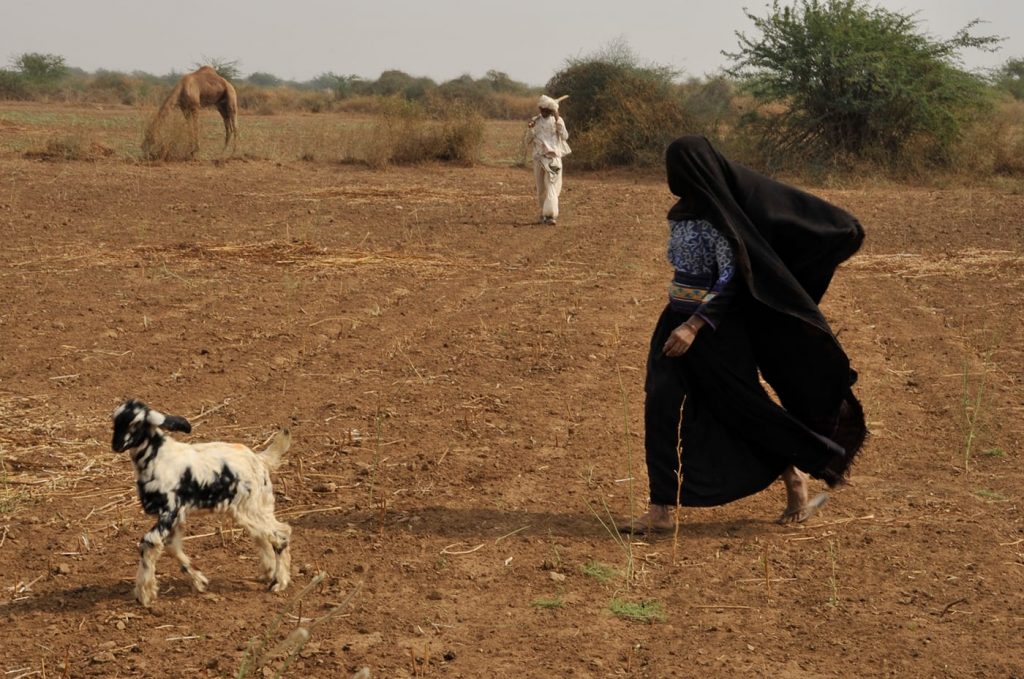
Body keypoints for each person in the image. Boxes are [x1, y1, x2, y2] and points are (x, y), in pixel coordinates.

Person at [619, 136, 867, 534]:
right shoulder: (681, 212)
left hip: (712, 330)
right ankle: (661, 509)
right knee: (661, 406)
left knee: (744, 409)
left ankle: (801, 470)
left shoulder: (719, 215)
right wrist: (679, 321)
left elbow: (731, 276)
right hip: (675, 321)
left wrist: (694, 325)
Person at [525, 95, 571, 225]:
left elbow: (565, 136)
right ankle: (543, 213)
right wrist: (531, 129)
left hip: (554, 159)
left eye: (547, 110)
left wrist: (557, 118)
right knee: (541, 189)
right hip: (539, 158)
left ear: (551, 111)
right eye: (542, 109)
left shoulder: (558, 121)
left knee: (551, 186)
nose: (544, 112)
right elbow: (527, 141)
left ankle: (550, 215)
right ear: (540, 108)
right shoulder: (534, 121)